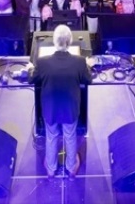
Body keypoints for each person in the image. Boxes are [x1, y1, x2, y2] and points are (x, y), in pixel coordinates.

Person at [27, 25, 92, 179]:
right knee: (70, 136)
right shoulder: (80, 62)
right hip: (70, 109)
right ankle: (71, 168)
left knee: (52, 136)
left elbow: (31, 79)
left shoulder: (42, 62)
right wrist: (87, 67)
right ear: (69, 42)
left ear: (54, 41)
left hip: (50, 109)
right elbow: (88, 79)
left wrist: (31, 68)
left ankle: (51, 168)